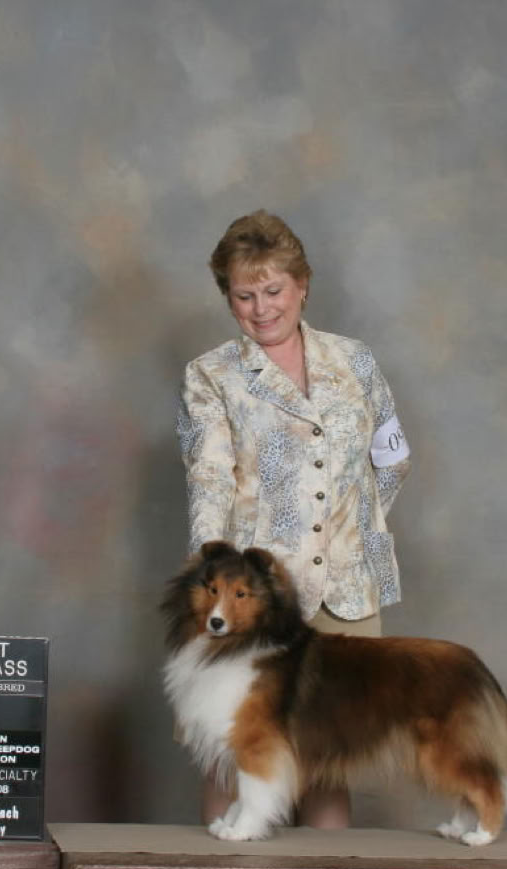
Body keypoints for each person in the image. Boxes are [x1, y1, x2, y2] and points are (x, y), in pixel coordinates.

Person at [176, 209, 411, 828]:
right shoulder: (210, 375)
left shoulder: (356, 362)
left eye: (273, 290)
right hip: (255, 597)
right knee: (232, 751)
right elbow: (208, 478)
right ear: (227, 296)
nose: (261, 308)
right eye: (243, 294)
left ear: (303, 285)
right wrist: (213, 579)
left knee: (328, 757)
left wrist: (353, 529)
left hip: (348, 592)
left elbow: (393, 458)